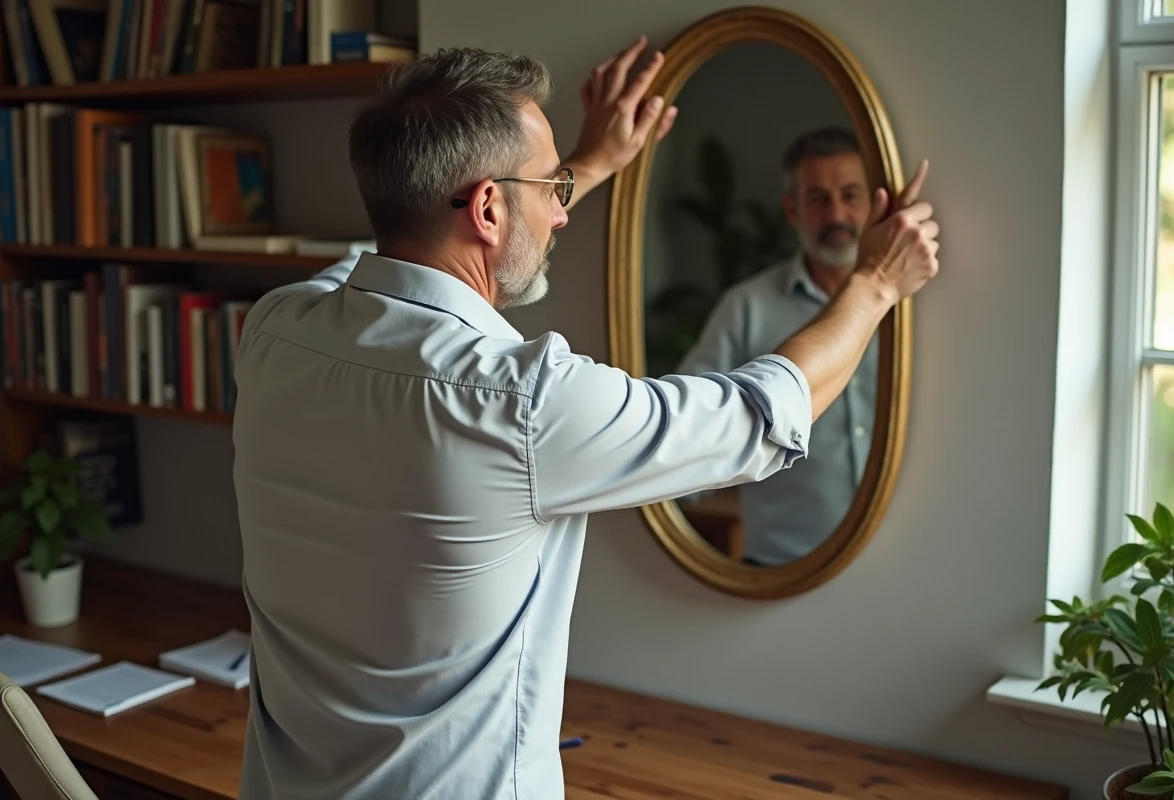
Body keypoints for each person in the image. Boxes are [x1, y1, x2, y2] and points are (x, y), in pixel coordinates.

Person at [231, 39, 938, 800]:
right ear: (489, 207)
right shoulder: (522, 402)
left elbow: (387, 255)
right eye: (552, 187)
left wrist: (586, 166)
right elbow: (757, 416)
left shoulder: (274, 328)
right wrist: (874, 282)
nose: (564, 209)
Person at [677, 126, 879, 566]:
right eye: (818, 199)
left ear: (873, 202)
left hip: (899, 569)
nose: (837, 214)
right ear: (792, 209)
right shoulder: (746, 307)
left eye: (850, 195)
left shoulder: (915, 307)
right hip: (778, 569)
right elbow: (690, 434)